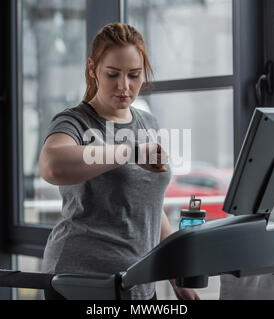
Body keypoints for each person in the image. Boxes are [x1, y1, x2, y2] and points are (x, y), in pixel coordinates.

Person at [39, 22, 200, 300]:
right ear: (93, 70)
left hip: (139, 284)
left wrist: (177, 277)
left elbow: (152, 205)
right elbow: (52, 165)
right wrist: (130, 151)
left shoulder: (147, 122)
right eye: (113, 74)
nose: (124, 86)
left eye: (134, 75)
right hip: (81, 283)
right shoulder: (75, 121)